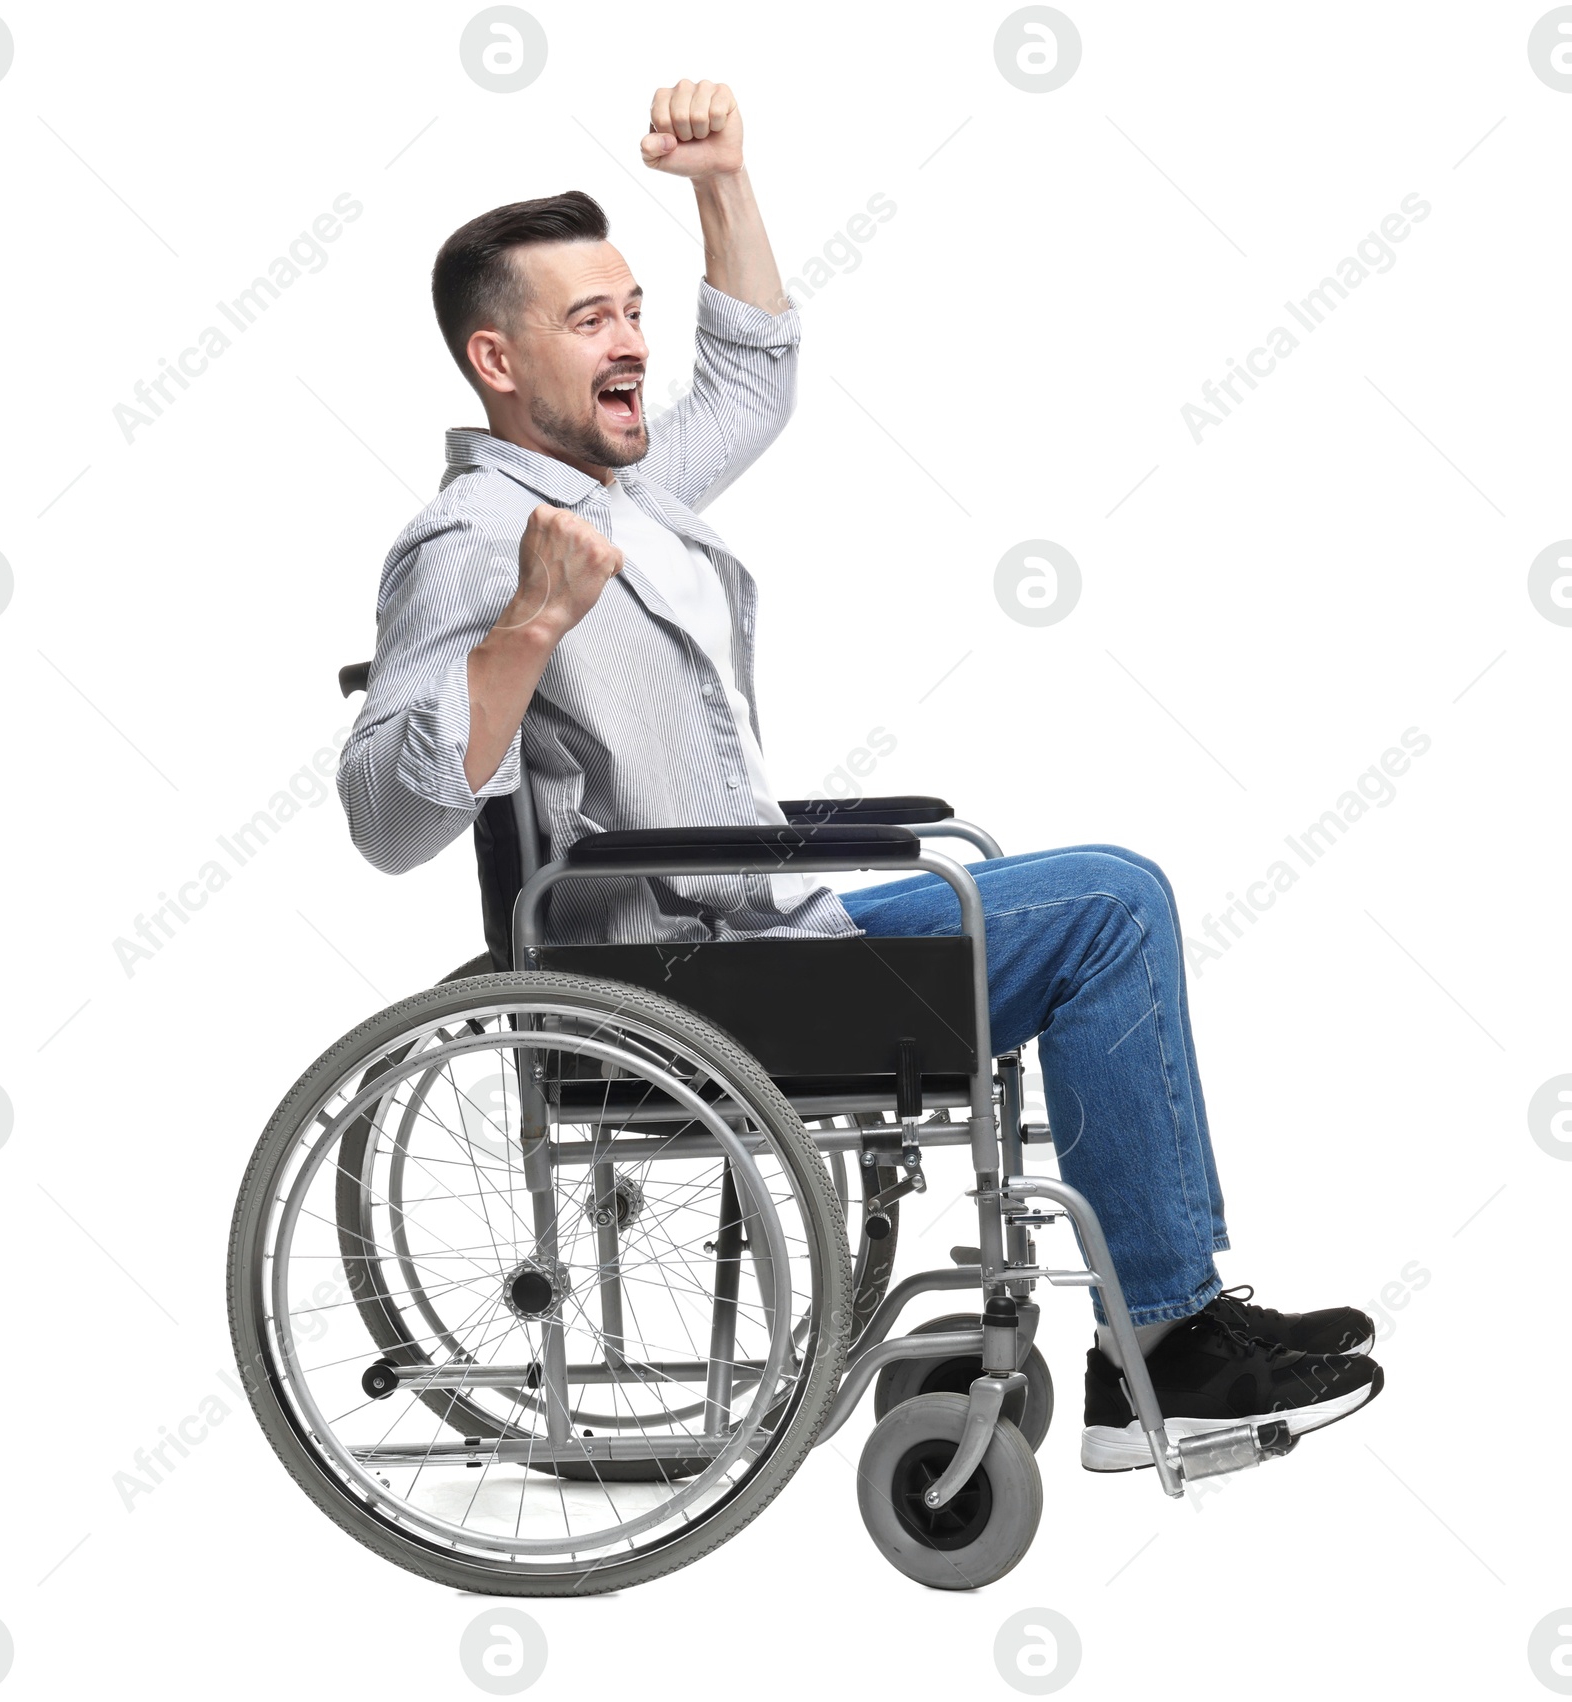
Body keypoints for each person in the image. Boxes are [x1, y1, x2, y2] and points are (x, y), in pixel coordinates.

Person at [338, 79, 1384, 1470]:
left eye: (635, 307)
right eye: (592, 320)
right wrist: (529, 625)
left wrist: (722, 183)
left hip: (762, 939)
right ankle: (1169, 1347)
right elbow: (387, 816)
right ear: (497, 360)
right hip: (680, 982)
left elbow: (754, 384)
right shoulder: (472, 540)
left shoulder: (619, 491)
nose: (633, 339)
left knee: (1082, 891)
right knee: (1109, 907)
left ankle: (1167, 1332)